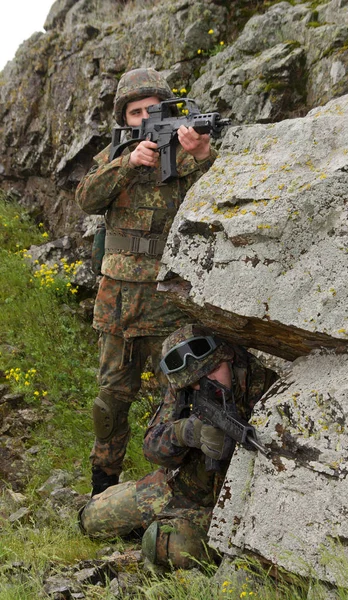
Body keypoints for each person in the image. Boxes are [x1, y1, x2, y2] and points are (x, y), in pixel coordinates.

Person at [75, 68, 217, 496]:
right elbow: (86, 198)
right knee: (111, 401)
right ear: (125, 117)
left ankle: (177, 487)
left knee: (176, 398)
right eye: (134, 112)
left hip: (165, 299)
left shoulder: (187, 154)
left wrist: (204, 151)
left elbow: (221, 191)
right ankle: (103, 487)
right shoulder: (115, 156)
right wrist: (127, 164)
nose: (142, 118)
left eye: (150, 110)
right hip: (116, 299)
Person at [79, 324, 278, 569]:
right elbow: (151, 448)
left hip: (221, 507)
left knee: (171, 546)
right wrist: (185, 433)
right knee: (91, 519)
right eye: (196, 381)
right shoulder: (184, 390)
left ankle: (163, 533)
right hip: (174, 487)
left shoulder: (266, 387)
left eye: (214, 369)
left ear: (230, 356)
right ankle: (156, 524)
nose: (209, 382)